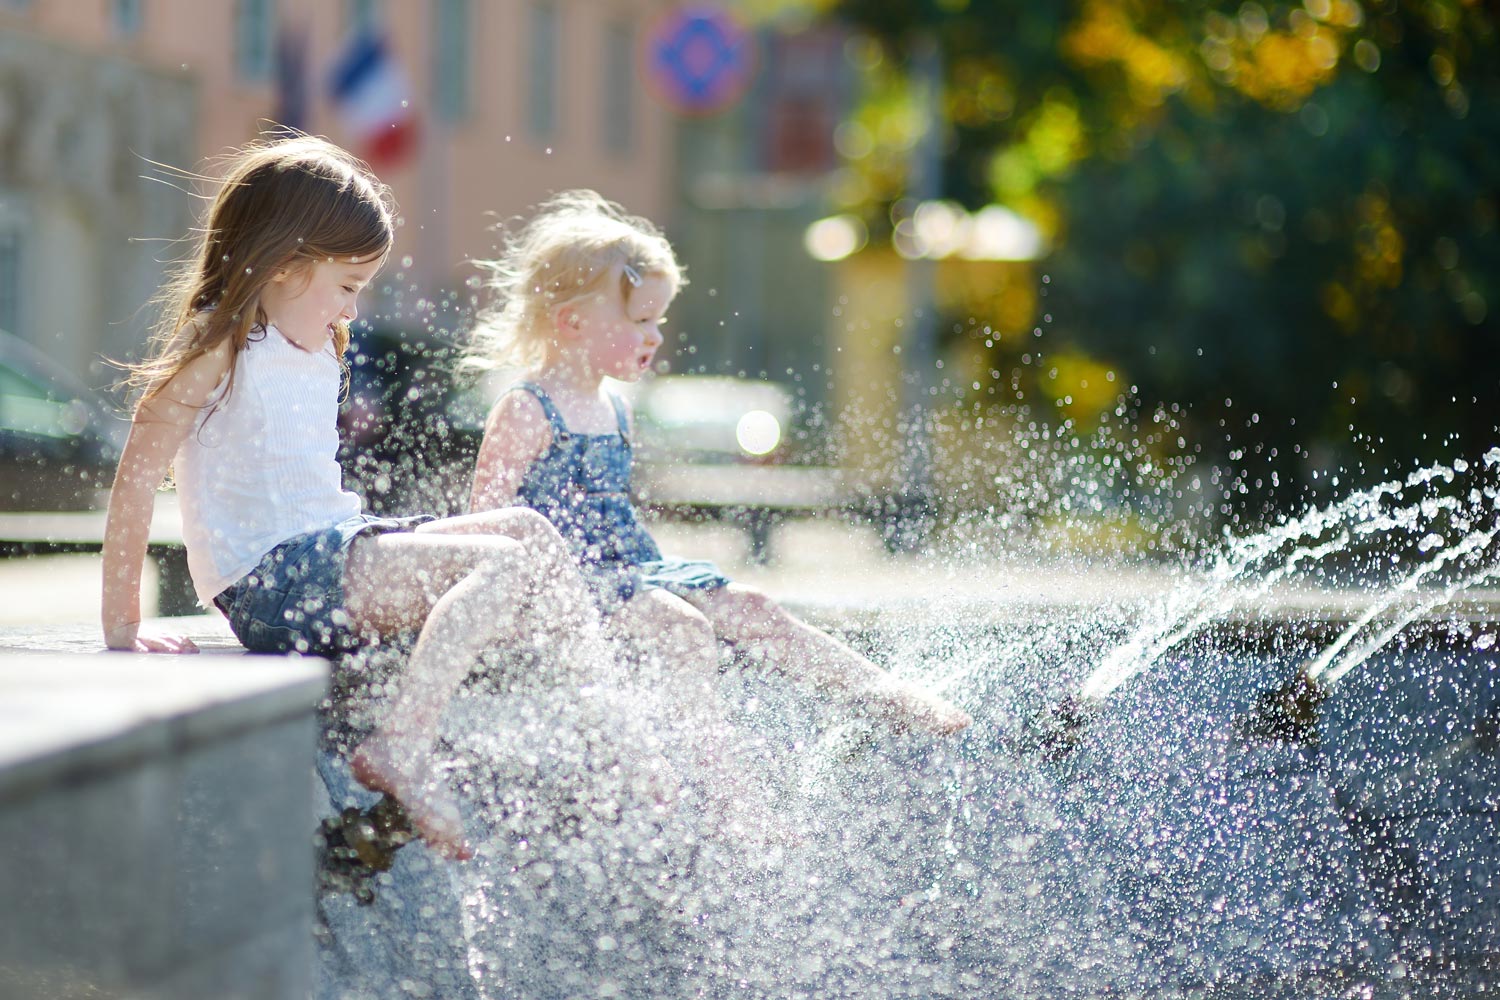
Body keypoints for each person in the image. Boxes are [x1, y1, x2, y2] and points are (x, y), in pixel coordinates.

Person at [101, 137, 626, 860]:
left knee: (530, 536)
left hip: (330, 552)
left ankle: (612, 737)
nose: (355, 304)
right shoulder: (220, 349)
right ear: (285, 266)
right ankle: (404, 746)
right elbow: (135, 478)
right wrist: (124, 624)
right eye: (348, 284)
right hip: (275, 583)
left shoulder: (321, 347)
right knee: (499, 567)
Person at [464, 190, 972, 736]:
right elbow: (483, 525)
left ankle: (880, 692)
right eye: (640, 319)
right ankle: (725, 799)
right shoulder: (527, 409)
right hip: (565, 586)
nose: (655, 335)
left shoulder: (614, 409)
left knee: (753, 605)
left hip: (631, 572)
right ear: (571, 323)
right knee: (681, 628)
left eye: (659, 319)